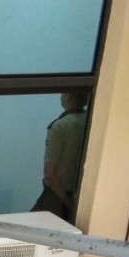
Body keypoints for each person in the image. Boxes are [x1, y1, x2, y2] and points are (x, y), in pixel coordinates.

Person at [32, 90, 90, 221]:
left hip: (58, 197)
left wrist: (68, 203)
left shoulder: (60, 126)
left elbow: (50, 174)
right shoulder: (90, 121)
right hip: (81, 194)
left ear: (68, 96)